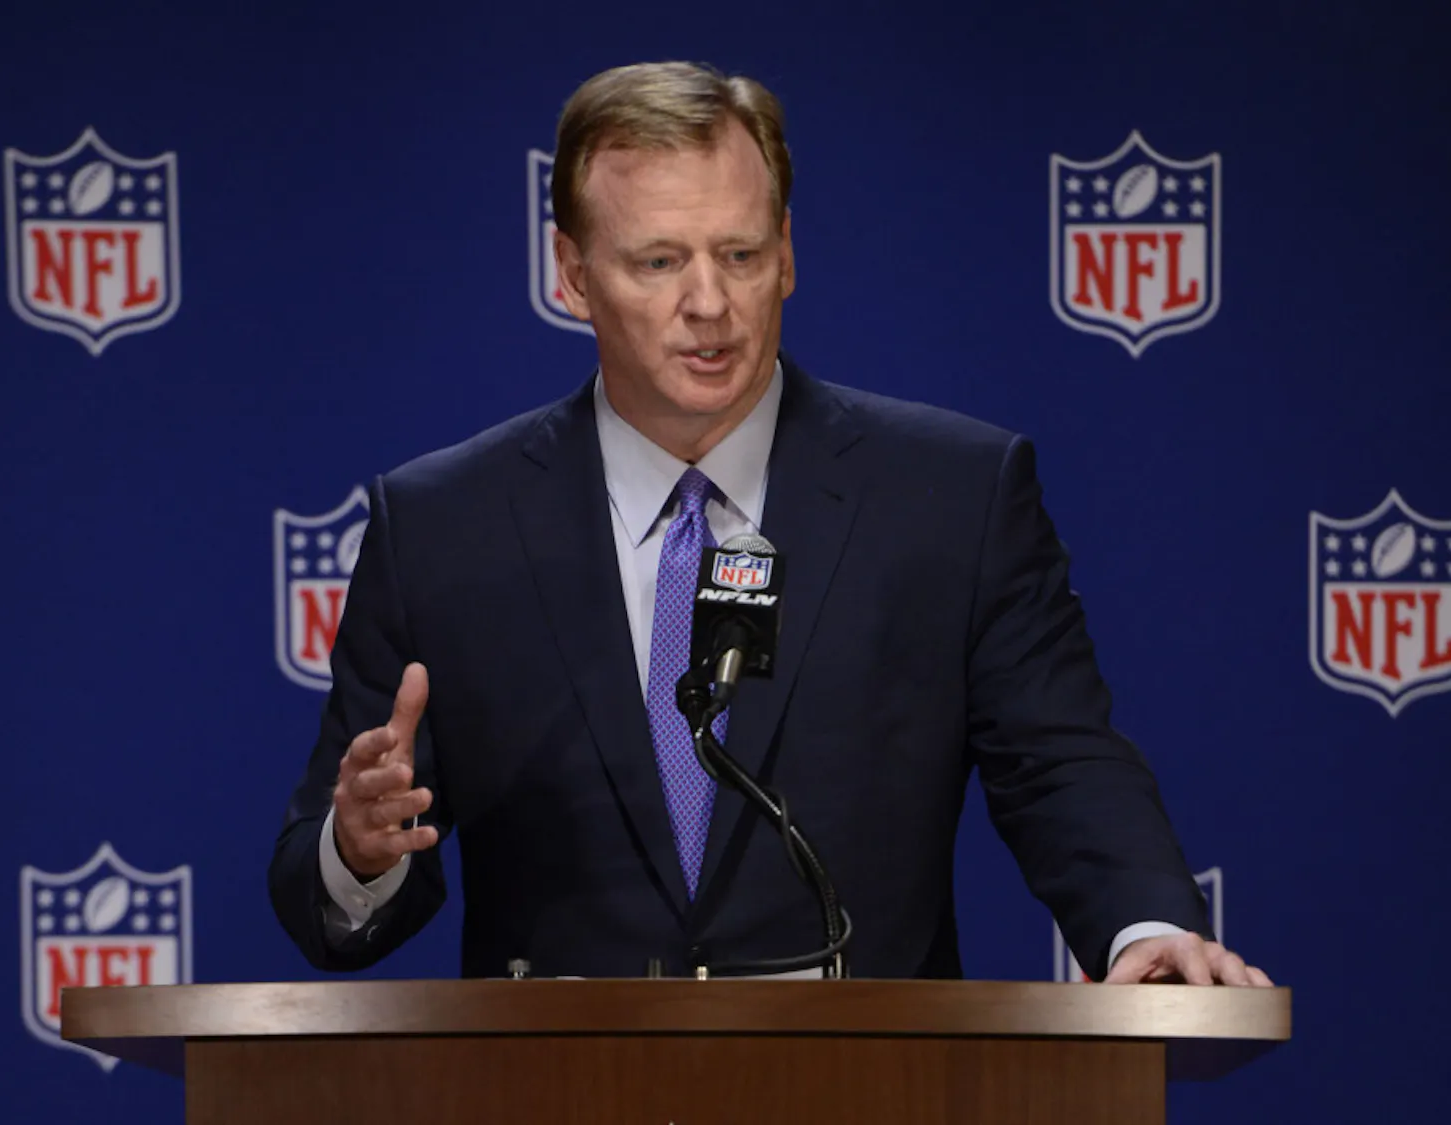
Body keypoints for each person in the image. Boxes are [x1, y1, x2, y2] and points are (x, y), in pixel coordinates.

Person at [269, 60, 1271, 987]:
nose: (708, 302)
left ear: (786, 254)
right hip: (561, 1082)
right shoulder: (443, 526)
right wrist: (359, 849)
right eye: (659, 261)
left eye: (740, 253)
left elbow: (1060, 763)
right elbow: (327, 892)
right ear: (571, 273)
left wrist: (1143, 926)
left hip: (872, 1083)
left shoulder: (954, 496)